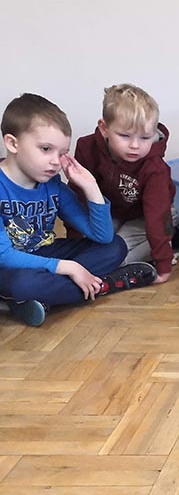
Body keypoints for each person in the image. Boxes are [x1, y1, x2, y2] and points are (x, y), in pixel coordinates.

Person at [0, 94, 156, 327]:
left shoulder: (52, 185)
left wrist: (90, 186)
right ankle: (101, 285)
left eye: (62, 153)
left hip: (44, 253)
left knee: (115, 247)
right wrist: (68, 267)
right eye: (46, 149)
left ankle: (42, 297)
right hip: (8, 265)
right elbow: (4, 255)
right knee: (24, 283)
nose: (56, 161)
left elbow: (103, 236)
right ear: (13, 144)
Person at [71, 84, 175, 282]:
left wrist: (163, 265)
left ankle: (169, 245)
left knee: (114, 258)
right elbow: (77, 197)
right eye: (125, 136)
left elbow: (157, 216)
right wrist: (75, 241)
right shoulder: (86, 147)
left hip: (148, 217)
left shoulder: (155, 168)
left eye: (145, 138)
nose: (135, 145)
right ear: (104, 129)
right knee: (92, 250)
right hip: (111, 213)